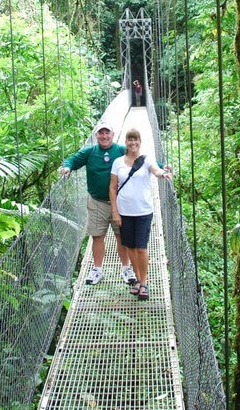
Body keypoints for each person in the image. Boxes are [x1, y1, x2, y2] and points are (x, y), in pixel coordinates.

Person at [59, 120, 136, 285]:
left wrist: (161, 167)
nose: (104, 136)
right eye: (101, 133)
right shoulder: (90, 152)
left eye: (107, 132)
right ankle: (97, 270)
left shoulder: (122, 151)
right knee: (97, 236)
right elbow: (72, 160)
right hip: (96, 202)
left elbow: (141, 161)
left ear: (113, 135)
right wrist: (67, 167)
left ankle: (126, 269)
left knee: (121, 236)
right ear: (96, 135)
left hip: (119, 203)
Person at [109, 128, 172, 301]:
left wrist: (163, 173)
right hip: (124, 212)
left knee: (141, 248)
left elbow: (156, 170)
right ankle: (137, 279)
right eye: (130, 140)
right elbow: (112, 187)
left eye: (136, 139)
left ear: (140, 142)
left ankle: (144, 282)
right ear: (126, 143)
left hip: (143, 211)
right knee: (130, 247)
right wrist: (115, 212)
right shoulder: (118, 162)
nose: (133, 143)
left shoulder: (147, 160)